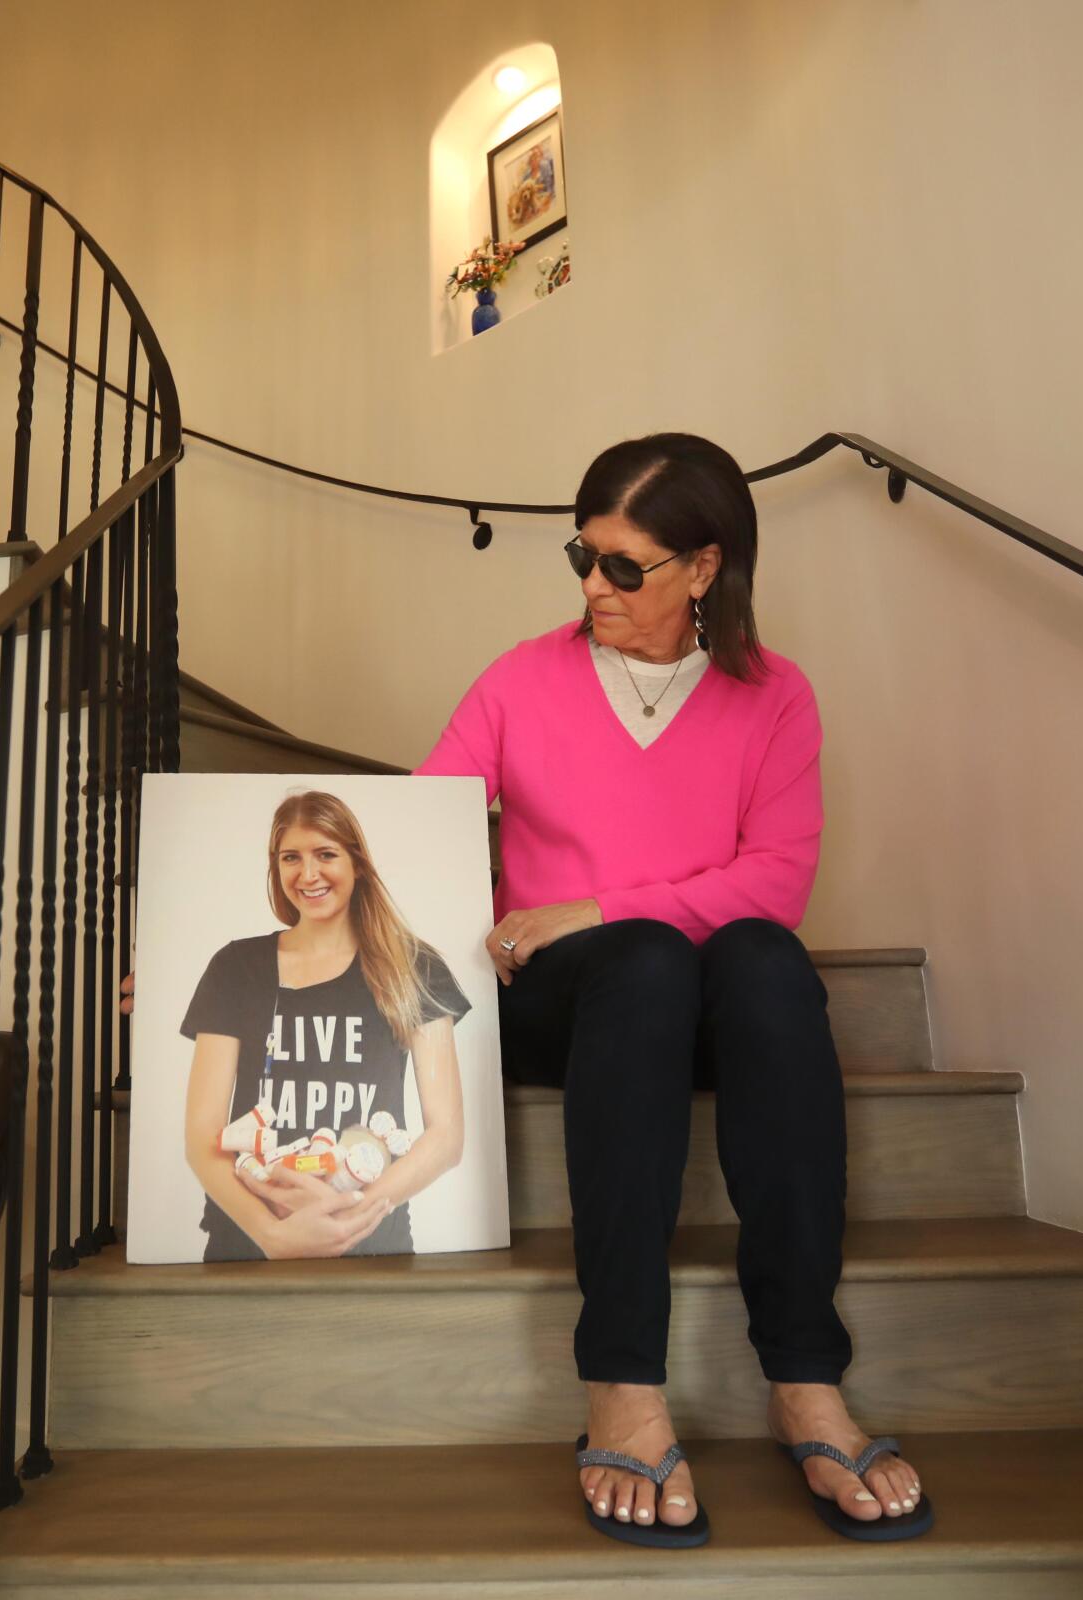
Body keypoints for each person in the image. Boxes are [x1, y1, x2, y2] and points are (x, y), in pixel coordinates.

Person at [415, 433, 929, 1547]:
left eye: (625, 566)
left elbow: (776, 879)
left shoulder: (775, 697)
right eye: (582, 558)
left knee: (763, 960)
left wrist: (600, 907)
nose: (594, 587)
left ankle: (803, 1373)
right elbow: (410, 843)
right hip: (564, 1010)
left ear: (704, 568)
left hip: (697, 1005)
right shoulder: (519, 678)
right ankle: (621, 1380)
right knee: (647, 965)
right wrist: (248, 947)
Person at [178, 791, 471, 1261]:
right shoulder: (235, 966)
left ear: (357, 863)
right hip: (247, 1247)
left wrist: (347, 1217)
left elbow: (446, 1137)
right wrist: (274, 1238)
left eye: (326, 855)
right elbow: (202, 1138)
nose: (308, 874)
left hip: (372, 1247)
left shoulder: (415, 967)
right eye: (291, 857)